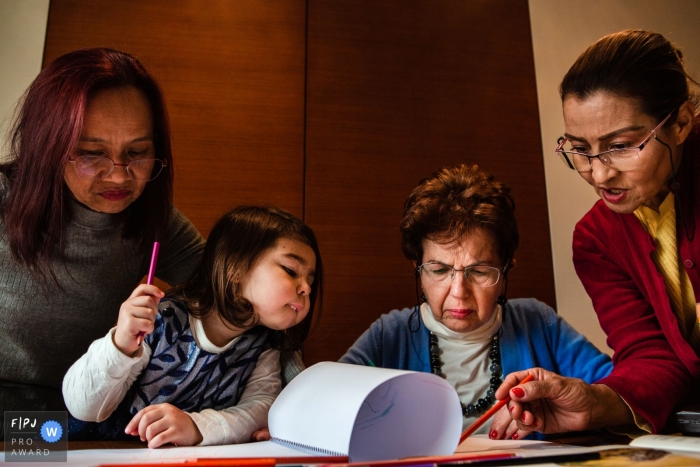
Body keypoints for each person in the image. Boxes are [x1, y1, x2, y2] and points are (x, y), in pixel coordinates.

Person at [492, 29, 700, 438]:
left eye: (620, 145)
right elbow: (652, 357)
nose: (600, 173)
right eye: (580, 149)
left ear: (681, 122)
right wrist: (593, 403)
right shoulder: (596, 238)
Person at [0, 48, 206, 418]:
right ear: (47, 148)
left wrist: (281, 403)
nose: (118, 175)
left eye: (138, 152)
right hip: (15, 419)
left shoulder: (152, 218)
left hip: (94, 420)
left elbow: (241, 294)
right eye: (91, 153)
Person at [339, 164, 611, 438]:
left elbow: (619, 396)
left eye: (479, 271)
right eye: (439, 270)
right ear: (419, 271)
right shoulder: (389, 336)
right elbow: (327, 406)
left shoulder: (537, 323)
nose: (459, 291)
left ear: (506, 273)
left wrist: (577, 402)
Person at [63, 205, 323, 447]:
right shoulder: (161, 321)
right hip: (81, 445)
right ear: (234, 267)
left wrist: (196, 427)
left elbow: (261, 408)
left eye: (310, 279)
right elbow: (84, 407)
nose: (306, 288)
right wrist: (120, 343)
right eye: (291, 270)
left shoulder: (263, 347)